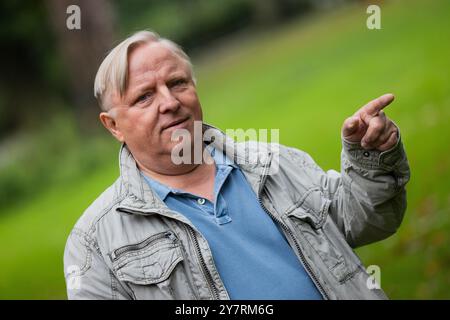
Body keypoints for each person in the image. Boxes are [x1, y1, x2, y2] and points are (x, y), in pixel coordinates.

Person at [64, 30, 410, 300]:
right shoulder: (95, 241)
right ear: (113, 126)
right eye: (144, 96)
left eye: (177, 83)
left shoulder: (273, 163)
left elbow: (365, 221)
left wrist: (372, 156)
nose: (170, 102)